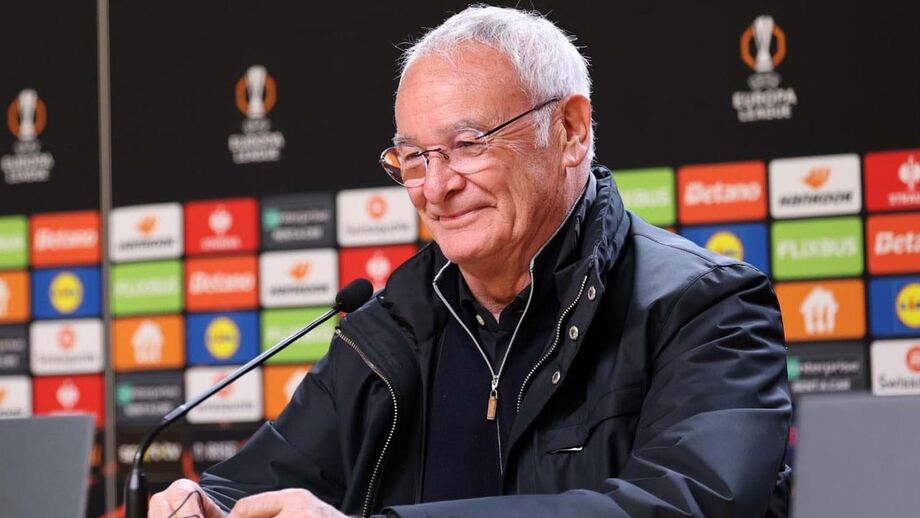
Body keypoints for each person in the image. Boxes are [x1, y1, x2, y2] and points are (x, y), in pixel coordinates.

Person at [151, 5, 791, 517]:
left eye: (467, 144)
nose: (435, 187)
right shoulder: (389, 330)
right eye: (413, 158)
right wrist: (205, 504)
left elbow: (688, 504)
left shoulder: (707, 307)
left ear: (569, 131)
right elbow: (254, 483)